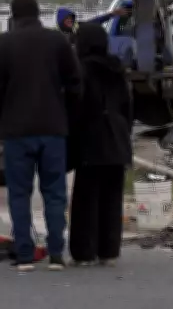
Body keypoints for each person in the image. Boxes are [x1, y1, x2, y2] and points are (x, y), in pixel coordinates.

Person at [0, 0, 82, 272]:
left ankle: (24, 255)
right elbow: (75, 83)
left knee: (19, 194)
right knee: (55, 193)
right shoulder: (57, 41)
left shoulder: (4, 44)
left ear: (13, 15)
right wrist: (66, 115)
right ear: (37, 14)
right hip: (53, 129)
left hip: (16, 132)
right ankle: (57, 254)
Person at [67, 23, 133, 267]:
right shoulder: (117, 70)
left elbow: (76, 107)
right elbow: (127, 108)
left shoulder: (82, 70)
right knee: (112, 199)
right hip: (118, 139)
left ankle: (84, 252)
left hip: (92, 139)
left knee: (87, 198)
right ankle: (109, 251)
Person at [55, 5, 128, 43]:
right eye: (67, 19)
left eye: (71, 18)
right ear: (61, 22)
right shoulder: (57, 36)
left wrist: (111, 14)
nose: (70, 20)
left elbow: (95, 21)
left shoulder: (78, 27)